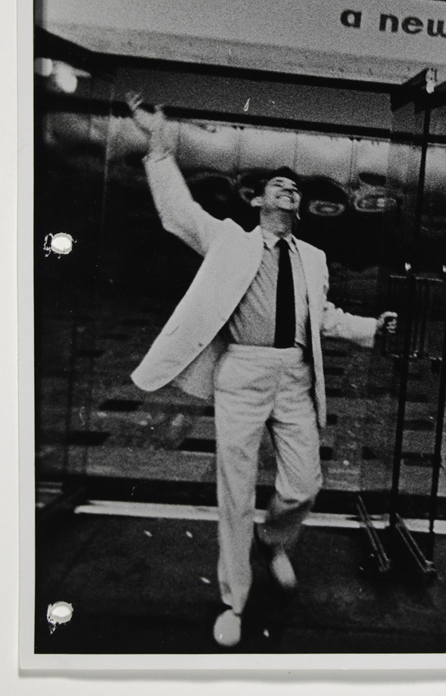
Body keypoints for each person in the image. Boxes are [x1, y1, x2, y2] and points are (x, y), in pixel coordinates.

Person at [126, 94, 396, 647]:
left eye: (294, 188)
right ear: (257, 202)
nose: (288, 190)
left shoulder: (314, 258)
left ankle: (274, 541)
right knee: (235, 490)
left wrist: (371, 329)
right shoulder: (227, 239)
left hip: (295, 377)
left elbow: (319, 316)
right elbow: (177, 211)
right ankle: (234, 600)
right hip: (242, 375)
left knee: (304, 484)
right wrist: (159, 143)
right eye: (278, 185)